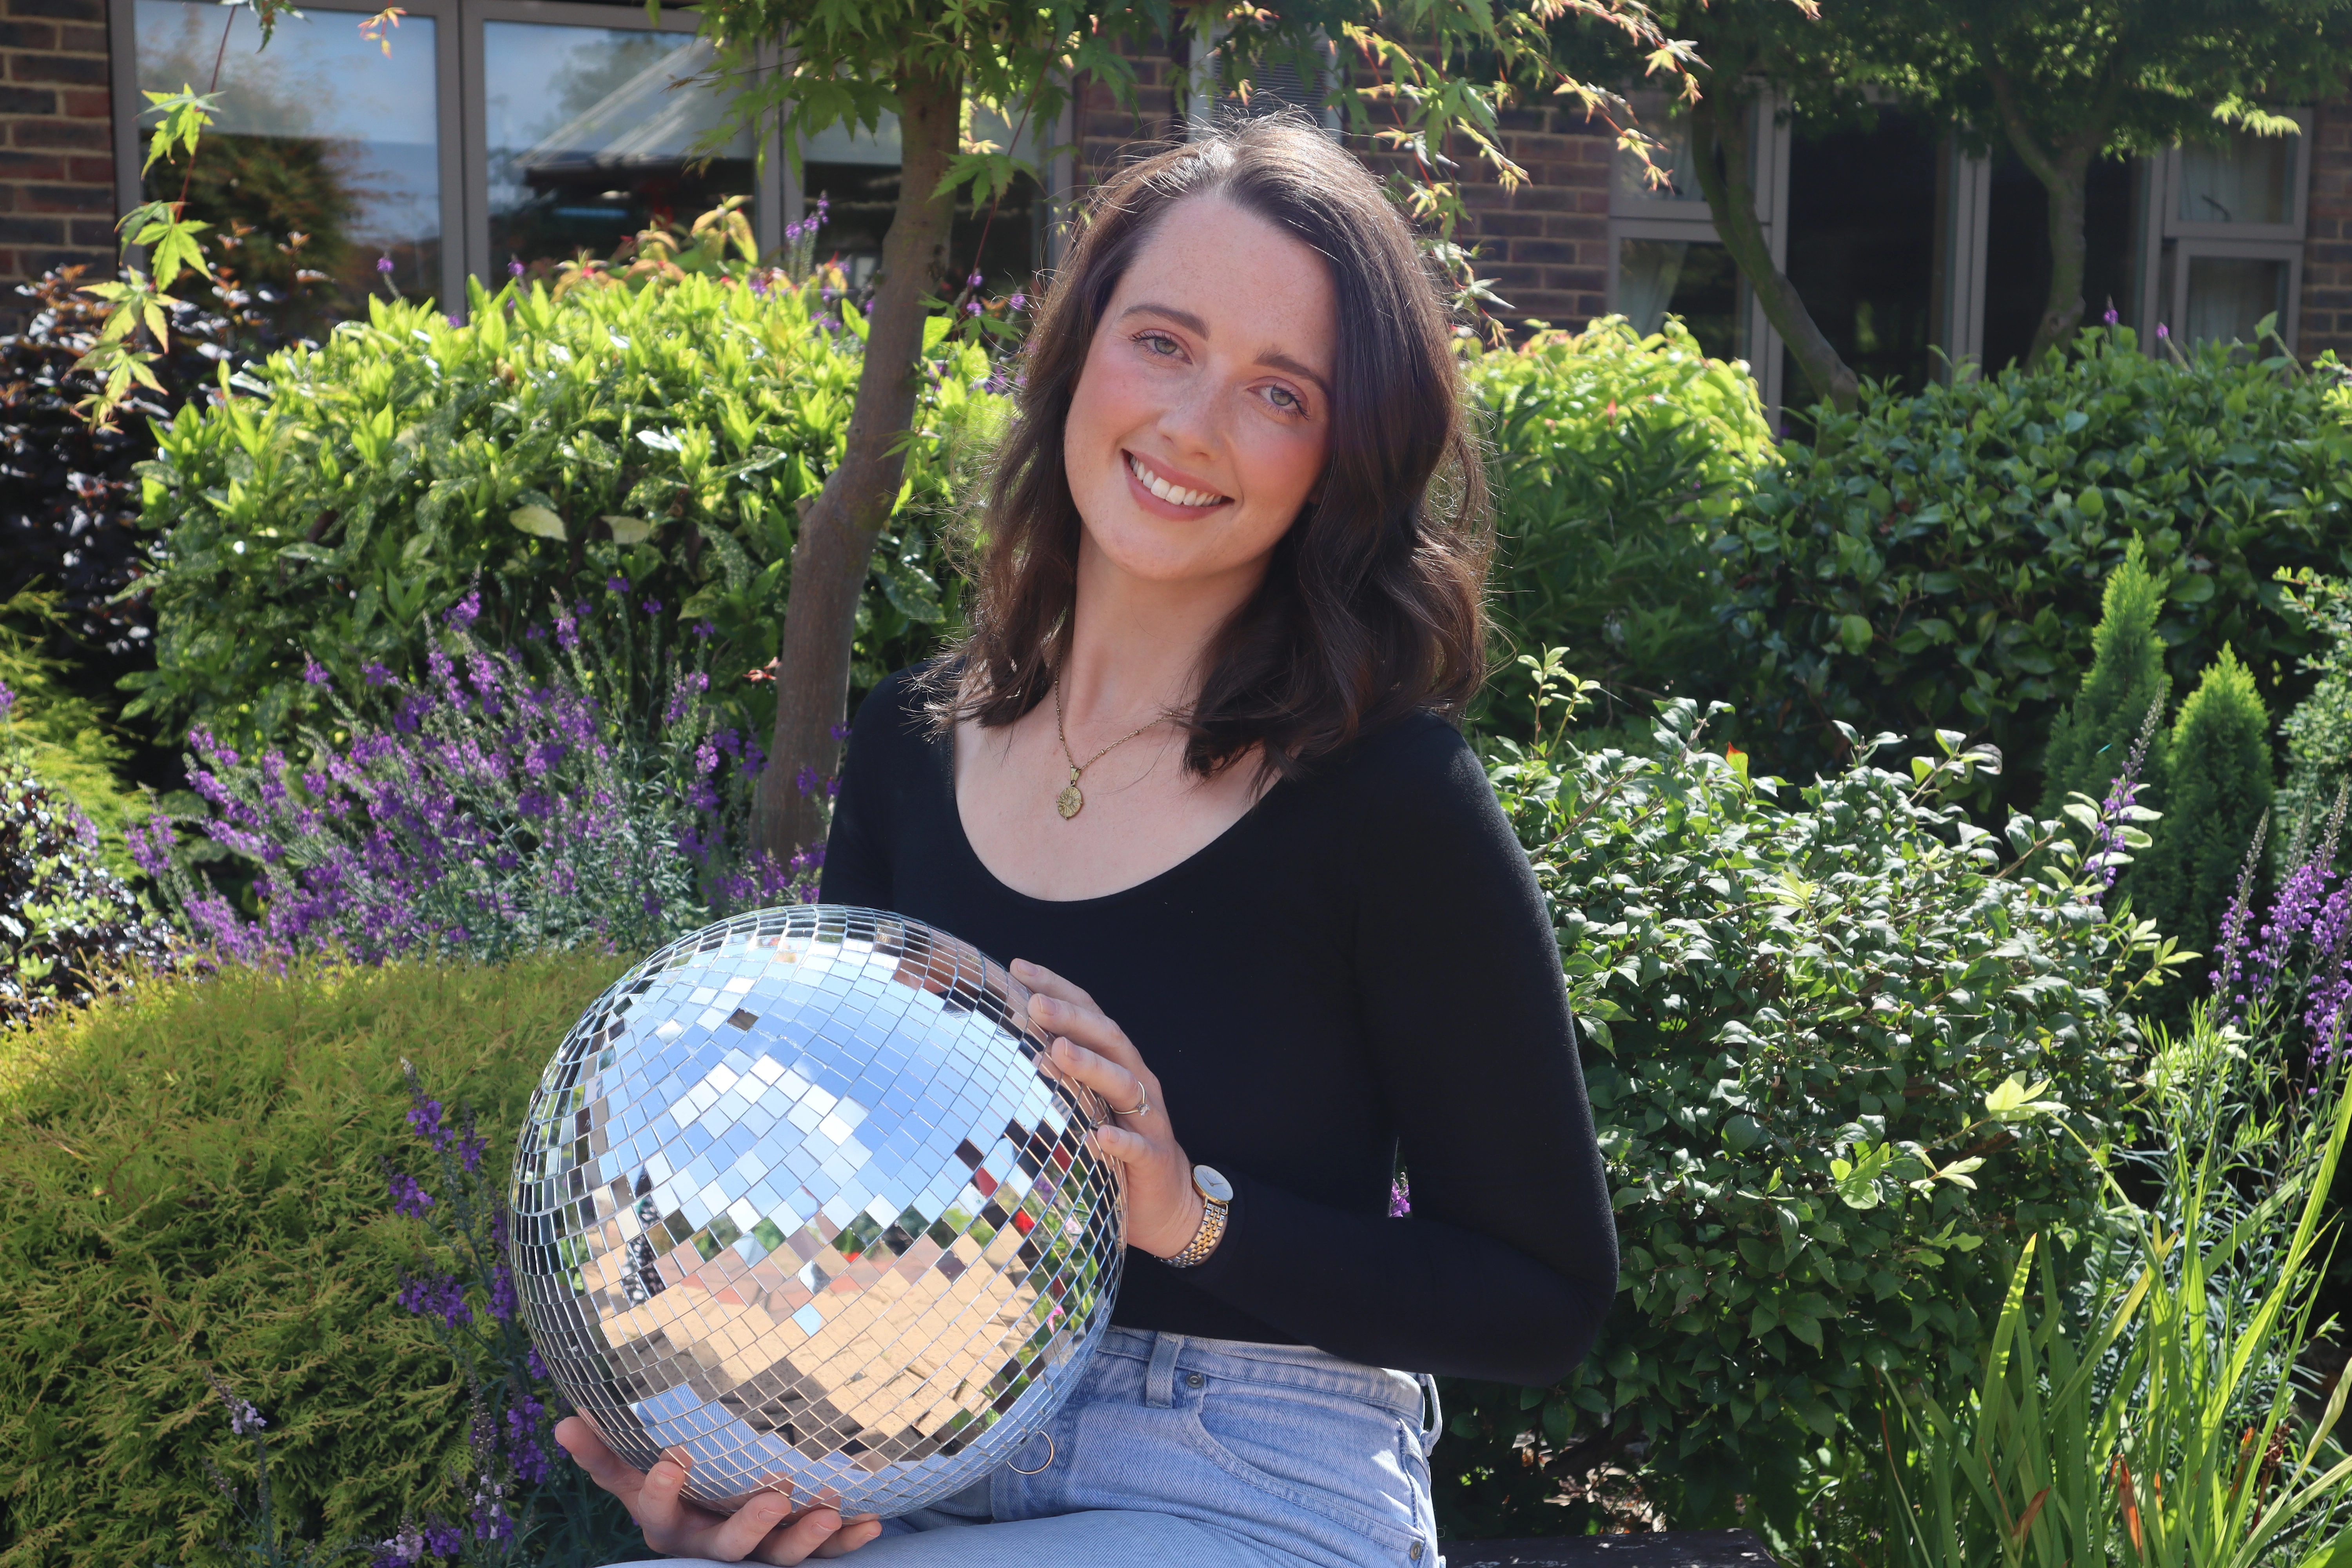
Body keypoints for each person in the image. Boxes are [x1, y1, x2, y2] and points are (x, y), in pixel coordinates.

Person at [555, 113, 1617, 1568]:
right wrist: (750, 1456)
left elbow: (1542, 1296)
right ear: (1080, 354)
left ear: (1344, 456)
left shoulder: (1389, 801)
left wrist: (1193, 1219)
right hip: (931, 1461)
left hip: (1250, 1480)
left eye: (1280, 393)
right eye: (1163, 343)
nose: (1190, 426)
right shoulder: (910, 752)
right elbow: (839, 1221)